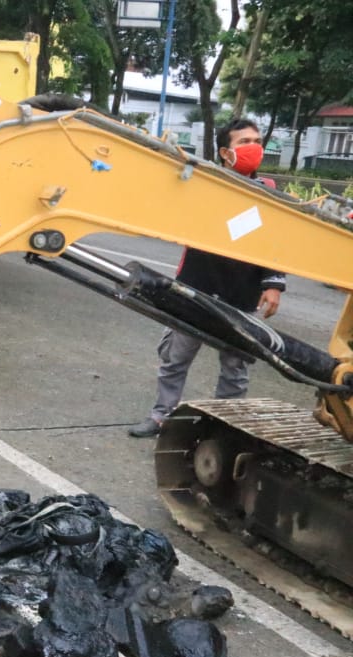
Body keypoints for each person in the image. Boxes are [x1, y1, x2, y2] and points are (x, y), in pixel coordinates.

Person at [128, 118, 285, 438]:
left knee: (236, 366)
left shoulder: (268, 192)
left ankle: (222, 426)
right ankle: (162, 416)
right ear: (226, 153)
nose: (254, 147)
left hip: (242, 293)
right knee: (174, 358)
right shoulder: (204, 183)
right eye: (245, 142)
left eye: (257, 140)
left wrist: (273, 284)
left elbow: (276, 241)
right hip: (196, 288)